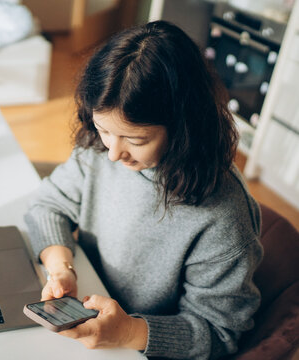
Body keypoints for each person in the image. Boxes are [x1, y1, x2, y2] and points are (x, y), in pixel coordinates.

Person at [24, 21, 263, 359]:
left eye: (136, 140)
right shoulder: (98, 147)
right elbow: (48, 204)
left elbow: (219, 333)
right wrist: (61, 268)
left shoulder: (223, 216)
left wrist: (128, 332)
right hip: (89, 307)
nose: (113, 153)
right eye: (103, 129)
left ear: (183, 130)